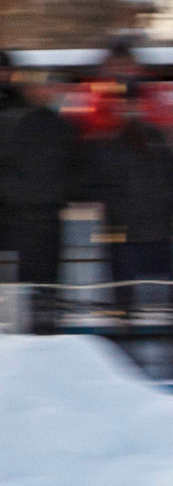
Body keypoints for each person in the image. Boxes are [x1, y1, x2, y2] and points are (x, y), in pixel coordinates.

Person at [62, 36, 173, 320]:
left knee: (158, 291)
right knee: (125, 285)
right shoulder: (93, 98)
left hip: (147, 218)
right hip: (123, 218)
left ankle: (161, 325)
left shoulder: (153, 104)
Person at [0, 51, 78, 332]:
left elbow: (74, 168)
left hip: (37, 216)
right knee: (33, 286)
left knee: (41, 287)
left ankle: (39, 335)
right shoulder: (19, 123)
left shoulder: (59, 126)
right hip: (22, 217)